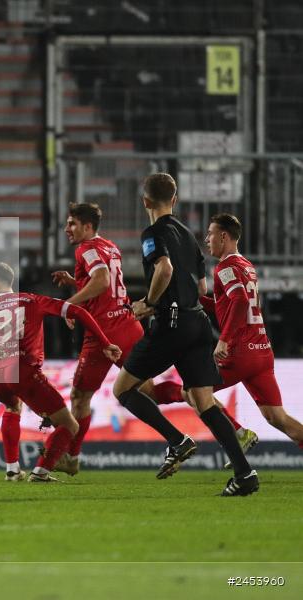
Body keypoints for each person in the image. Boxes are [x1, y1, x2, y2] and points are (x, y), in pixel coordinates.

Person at [112, 173, 259, 496]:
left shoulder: (153, 233)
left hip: (171, 323)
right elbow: (202, 287)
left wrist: (150, 302)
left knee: (122, 389)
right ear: (174, 200)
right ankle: (244, 474)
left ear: (145, 201)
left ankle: (177, 440)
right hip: (197, 323)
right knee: (203, 401)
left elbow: (164, 269)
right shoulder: (189, 235)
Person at [0, 262, 122, 482]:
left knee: (13, 407)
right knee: (70, 425)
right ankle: (41, 472)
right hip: (21, 371)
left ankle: (12, 470)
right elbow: (78, 311)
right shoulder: (32, 300)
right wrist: (105, 343)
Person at [50, 203, 184, 476]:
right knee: (148, 392)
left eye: (72, 223)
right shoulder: (110, 247)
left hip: (103, 335)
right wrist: (77, 281)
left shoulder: (85, 249)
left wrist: (69, 305)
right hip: (128, 325)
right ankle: (195, 398)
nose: (67, 229)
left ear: (88, 226)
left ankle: (71, 457)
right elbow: (106, 285)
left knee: (80, 396)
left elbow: (100, 281)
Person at [199, 213, 303, 454]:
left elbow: (240, 301)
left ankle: (238, 434)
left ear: (223, 236)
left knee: (193, 390)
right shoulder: (246, 265)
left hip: (241, 353)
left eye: (210, 234)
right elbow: (228, 307)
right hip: (262, 352)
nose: (206, 239)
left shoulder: (225, 267)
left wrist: (224, 340)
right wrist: (196, 301)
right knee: (278, 418)